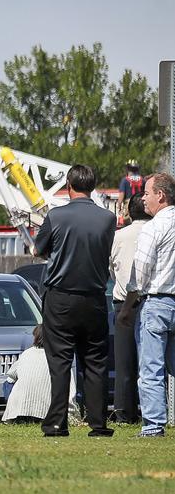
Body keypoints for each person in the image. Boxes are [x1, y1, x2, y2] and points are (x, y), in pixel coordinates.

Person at [33, 164, 115, 438]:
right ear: (92, 186)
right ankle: (98, 423)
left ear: (68, 186)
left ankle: (57, 422)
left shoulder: (56, 216)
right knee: (95, 361)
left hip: (60, 297)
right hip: (94, 297)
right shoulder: (107, 218)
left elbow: (38, 250)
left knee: (60, 362)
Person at [126, 173, 175, 437]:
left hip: (157, 302)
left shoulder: (153, 228)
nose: (143, 197)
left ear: (161, 196)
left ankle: (154, 425)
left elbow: (141, 271)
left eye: (146, 192)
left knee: (151, 369)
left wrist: (128, 305)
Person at [109, 193, 150, 424]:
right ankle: (154, 410)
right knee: (151, 362)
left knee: (124, 363)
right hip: (149, 301)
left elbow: (111, 270)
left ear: (129, 213)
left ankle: (125, 412)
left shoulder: (119, 236)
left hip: (122, 302)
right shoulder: (157, 232)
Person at [2, 325, 75, 422]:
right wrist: (72, 415)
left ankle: (13, 413)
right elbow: (71, 390)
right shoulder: (60, 357)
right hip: (48, 411)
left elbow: (11, 377)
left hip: (21, 409)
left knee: (8, 383)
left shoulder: (27, 353)